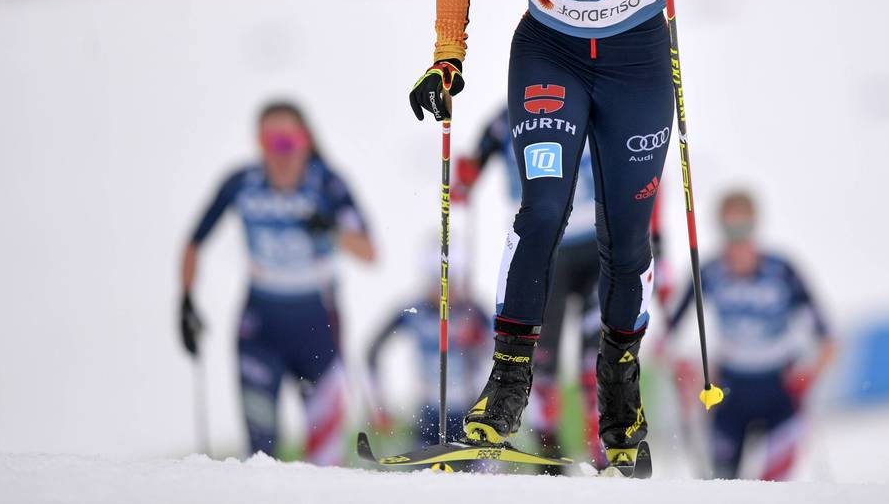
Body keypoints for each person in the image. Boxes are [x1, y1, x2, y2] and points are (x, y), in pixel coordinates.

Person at [407, 0, 747, 466]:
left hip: (635, 63)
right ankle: (507, 388)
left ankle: (622, 399)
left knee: (627, 241)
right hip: (550, 52)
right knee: (542, 210)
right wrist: (446, 59)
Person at [179, 101, 377, 465]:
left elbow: (369, 252)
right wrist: (186, 302)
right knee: (259, 454)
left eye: (289, 141)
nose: (281, 153)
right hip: (260, 328)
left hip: (318, 325)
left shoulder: (327, 183)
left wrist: (331, 230)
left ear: (305, 141)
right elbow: (193, 244)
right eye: (271, 142)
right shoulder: (241, 183)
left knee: (326, 458)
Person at [454, 106, 605, 466]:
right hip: (547, 246)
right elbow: (472, 169)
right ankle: (548, 445)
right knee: (542, 357)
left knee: (593, 357)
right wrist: (464, 178)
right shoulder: (503, 120)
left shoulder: (586, 102)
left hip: (597, 244)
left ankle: (601, 450)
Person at [667, 191, 833, 481]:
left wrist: (808, 375)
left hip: (780, 392)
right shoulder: (708, 271)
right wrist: (687, 373)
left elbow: (828, 338)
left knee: (776, 489)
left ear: (756, 226)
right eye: (729, 229)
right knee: (722, 485)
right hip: (730, 391)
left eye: (744, 228)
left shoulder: (782, 270)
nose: (737, 239)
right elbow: (666, 337)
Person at [365, 239, 489, 447]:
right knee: (423, 476)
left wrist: (480, 341)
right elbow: (372, 352)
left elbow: (505, 356)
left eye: (452, 281)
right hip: (428, 416)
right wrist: (380, 407)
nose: (445, 290)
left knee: (486, 474)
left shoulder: (474, 311)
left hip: (472, 415)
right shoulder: (413, 311)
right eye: (437, 282)